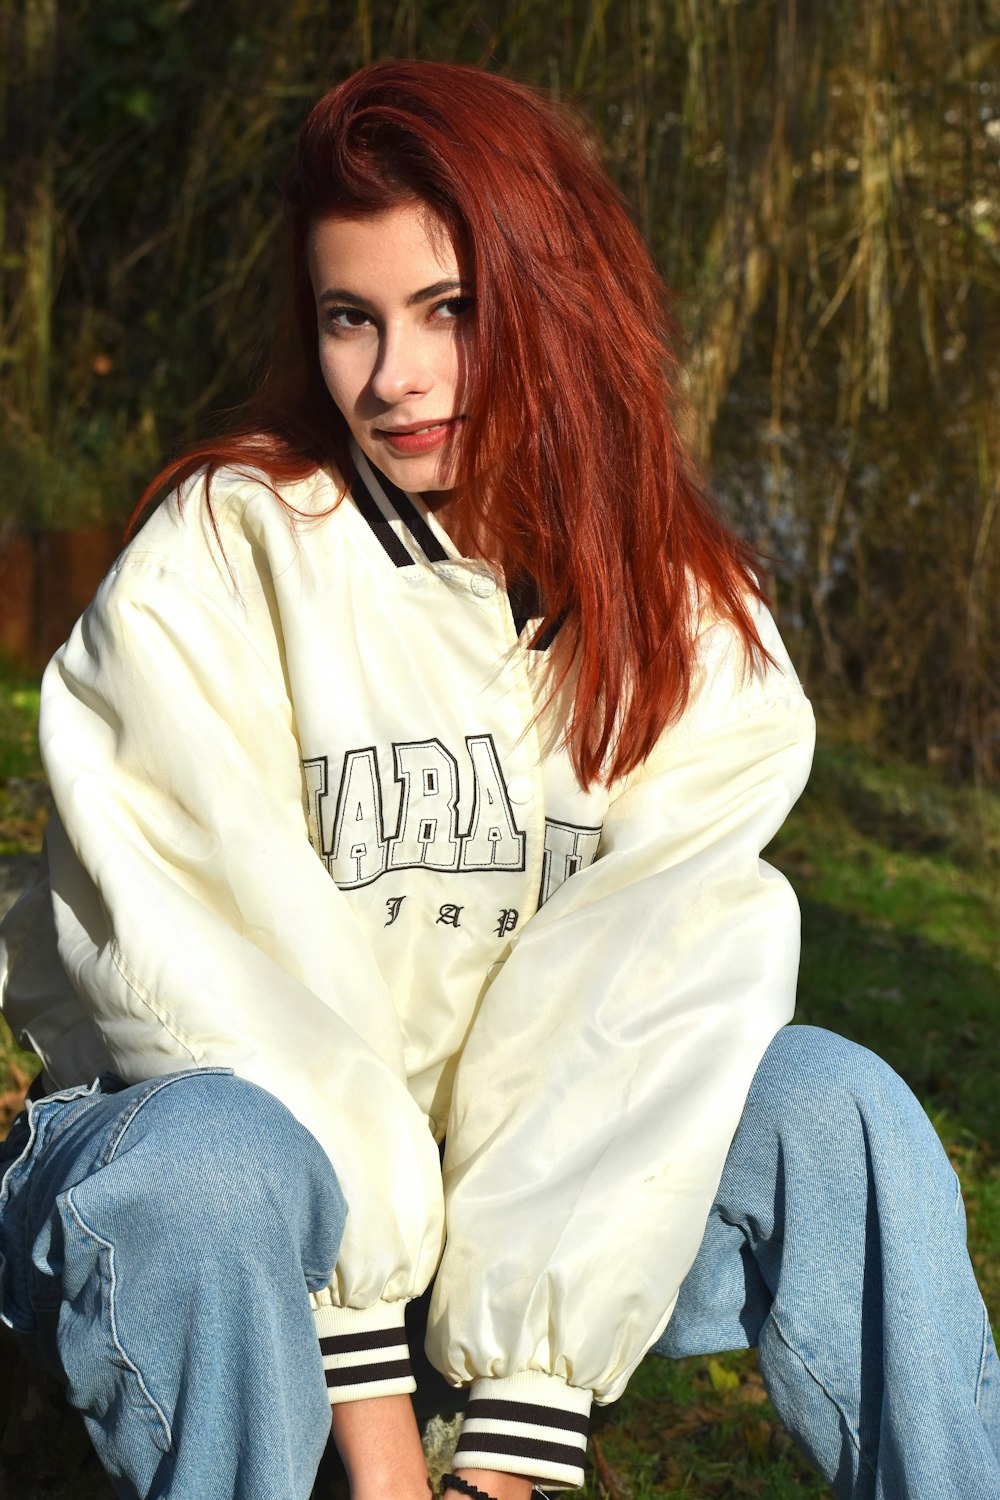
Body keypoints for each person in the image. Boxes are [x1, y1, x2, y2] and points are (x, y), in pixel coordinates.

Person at [0, 58, 996, 1500]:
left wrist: (514, 1446)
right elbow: (215, 983)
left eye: (448, 311)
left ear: (553, 301)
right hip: (196, 1159)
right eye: (352, 317)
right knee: (220, 1161)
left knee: (840, 1115)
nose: (393, 377)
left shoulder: (688, 623)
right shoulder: (229, 556)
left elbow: (646, 988)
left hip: (503, 1186)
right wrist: (393, 1457)